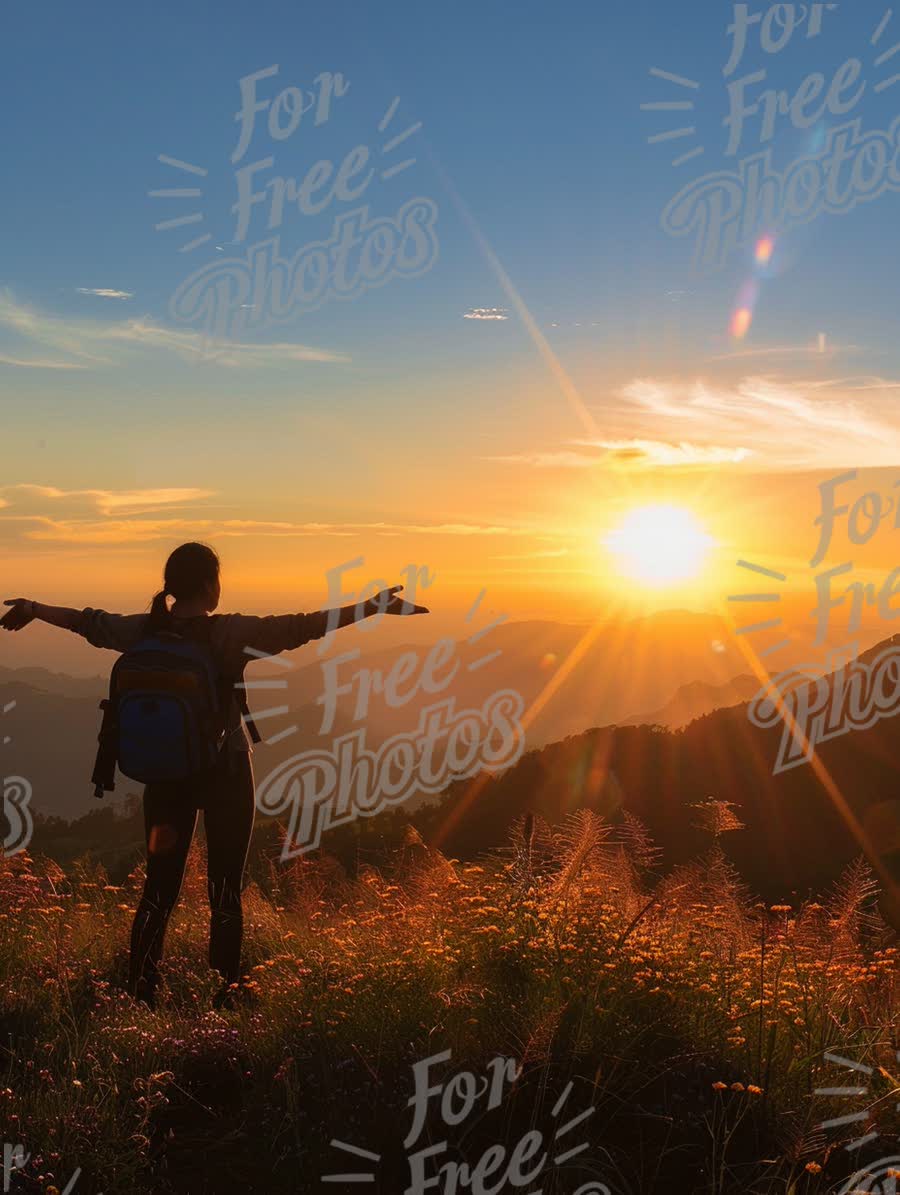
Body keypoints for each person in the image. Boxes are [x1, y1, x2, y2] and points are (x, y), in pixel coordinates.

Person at [0, 541, 429, 1008]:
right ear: (209, 585)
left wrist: (33, 608)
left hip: (164, 778)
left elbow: (88, 622)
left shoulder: (144, 629)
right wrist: (370, 608)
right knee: (224, 886)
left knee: (158, 889)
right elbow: (303, 626)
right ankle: (225, 994)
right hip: (224, 773)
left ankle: (140, 991)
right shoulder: (226, 634)